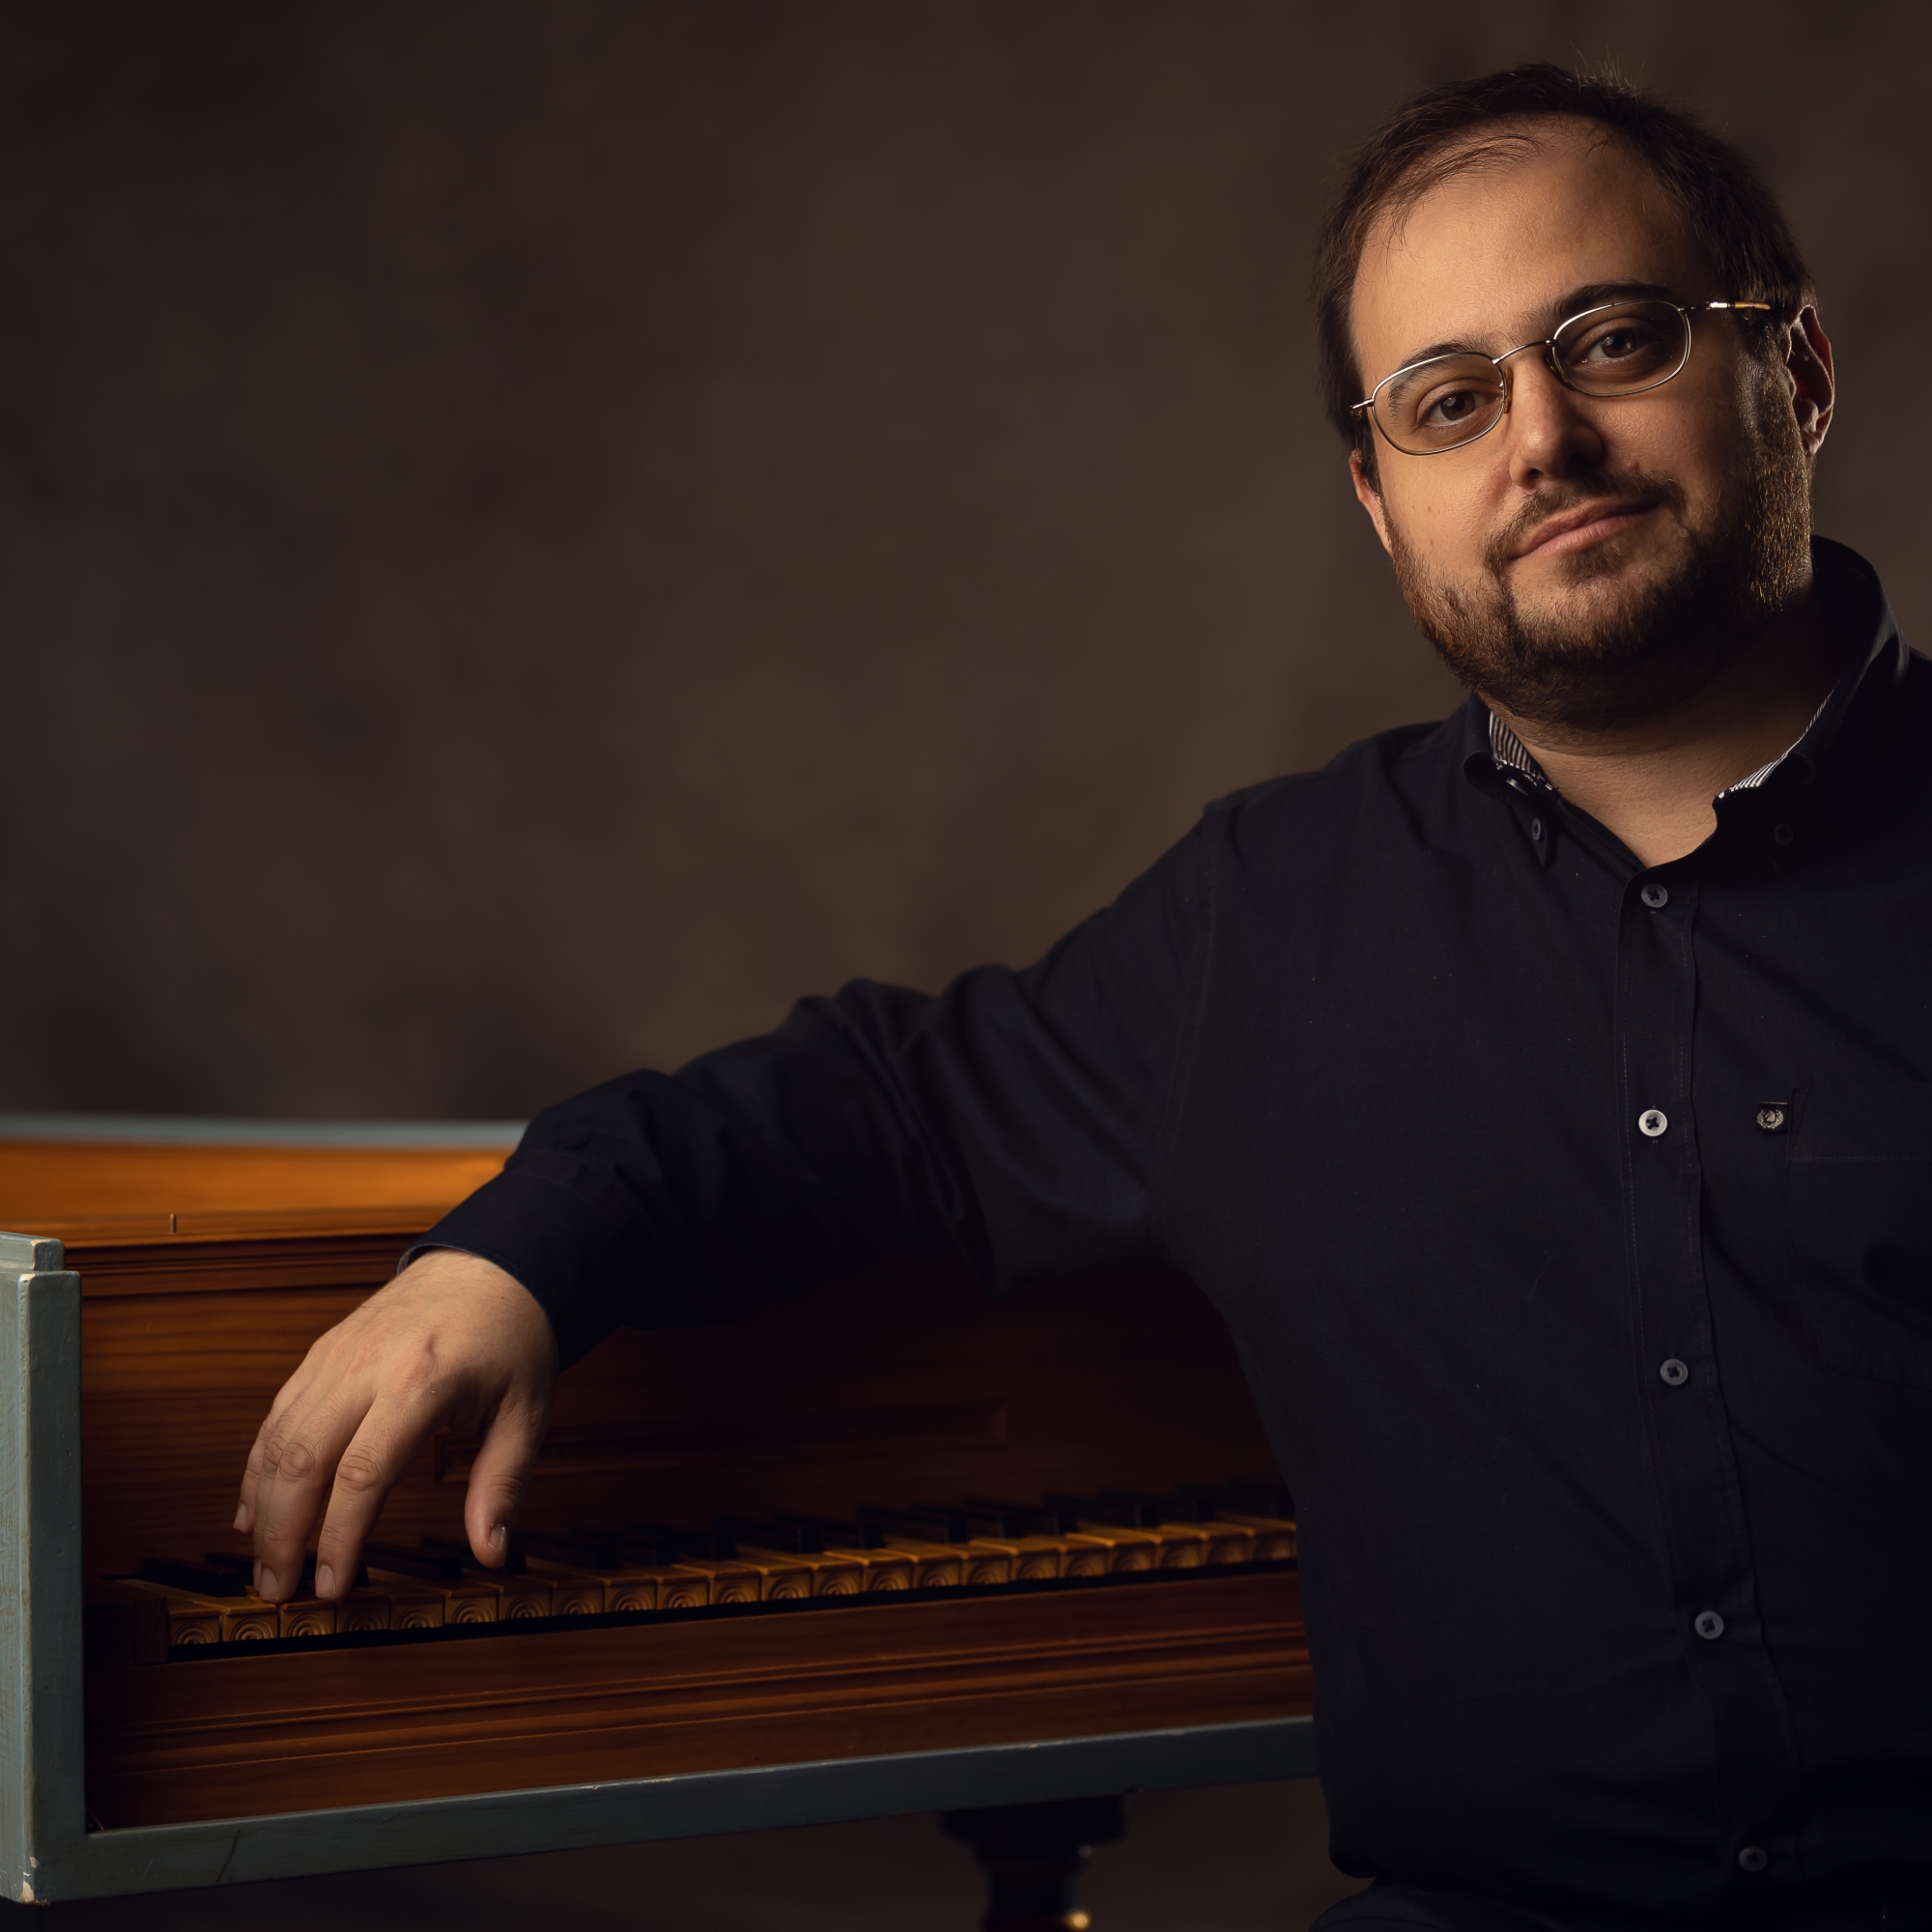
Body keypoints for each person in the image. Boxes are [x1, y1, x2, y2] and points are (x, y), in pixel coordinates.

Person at [234, 64, 1932, 1931]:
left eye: (1611, 341)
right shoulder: (1267, 920)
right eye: (1450, 401)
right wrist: (512, 1259)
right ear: (1382, 503)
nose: (1541, 439)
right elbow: (888, 1103)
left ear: (1796, 373)